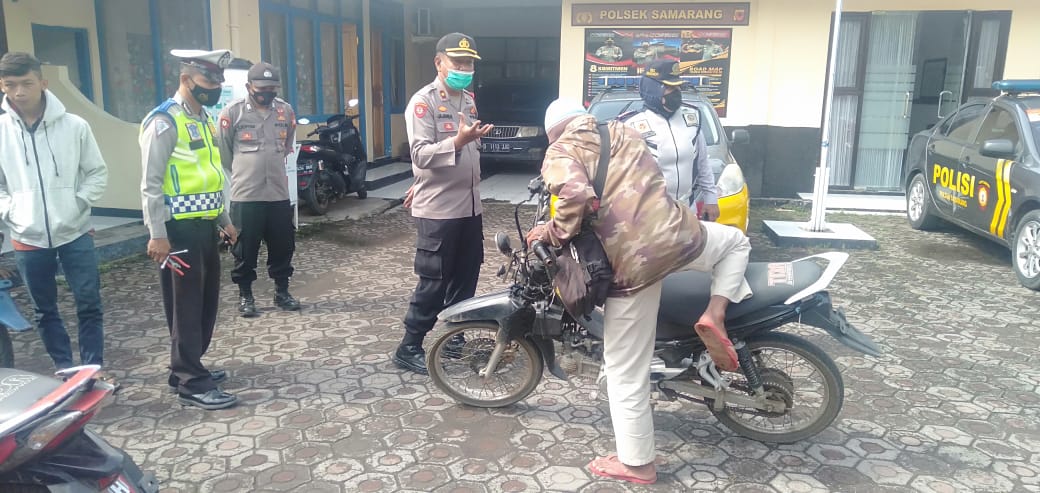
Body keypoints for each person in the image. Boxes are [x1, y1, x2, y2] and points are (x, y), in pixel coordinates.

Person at [526, 99, 752, 485]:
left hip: (634, 262)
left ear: (553, 131)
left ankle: (637, 464)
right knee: (735, 243)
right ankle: (714, 312)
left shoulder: (560, 150)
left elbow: (576, 194)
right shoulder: (622, 130)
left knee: (624, 370)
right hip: (679, 234)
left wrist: (551, 232)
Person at [0, 52, 112, 380]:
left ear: (43, 83)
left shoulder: (74, 126)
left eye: (26, 83)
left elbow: (96, 172)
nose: (19, 92)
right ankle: (65, 371)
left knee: (88, 304)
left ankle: (92, 371)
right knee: (44, 310)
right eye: (10, 85)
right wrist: (13, 211)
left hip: (75, 231)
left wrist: (78, 202)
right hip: (27, 236)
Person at [139, 48, 239, 410]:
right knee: (186, 304)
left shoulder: (203, 119)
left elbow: (210, 177)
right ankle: (190, 381)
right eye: (208, 81)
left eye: (218, 81)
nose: (215, 87)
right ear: (186, 79)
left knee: (205, 302)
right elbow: (150, 183)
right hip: (176, 231)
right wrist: (157, 234)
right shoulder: (163, 121)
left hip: (203, 226)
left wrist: (224, 220)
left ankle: (188, 365)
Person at [393, 32, 493, 375]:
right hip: (438, 211)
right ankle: (409, 346)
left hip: (469, 206)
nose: (464, 68)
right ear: (439, 63)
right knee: (434, 280)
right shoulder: (422, 102)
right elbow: (419, 155)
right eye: (458, 62)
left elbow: (466, 151)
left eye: (469, 63)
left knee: (467, 275)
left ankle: (454, 339)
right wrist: (458, 141)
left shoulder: (467, 99)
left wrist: (468, 141)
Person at [217, 62, 300, 318]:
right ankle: (245, 296)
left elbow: (287, 144)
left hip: (277, 194)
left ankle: (282, 292)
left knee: (283, 247)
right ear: (249, 87)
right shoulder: (233, 113)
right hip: (246, 196)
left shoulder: (285, 111)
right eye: (262, 87)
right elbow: (224, 152)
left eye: (272, 87)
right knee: (244, 249)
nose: (267, 92)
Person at [622, 59, 720, 221]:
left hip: (686, 210)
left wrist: (711, 198)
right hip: (648, 215)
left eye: (677, 87)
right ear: (653, 89)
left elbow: (702, 163)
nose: (676, 92)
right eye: (668, 87)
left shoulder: (691, 118)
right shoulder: (631, 125)